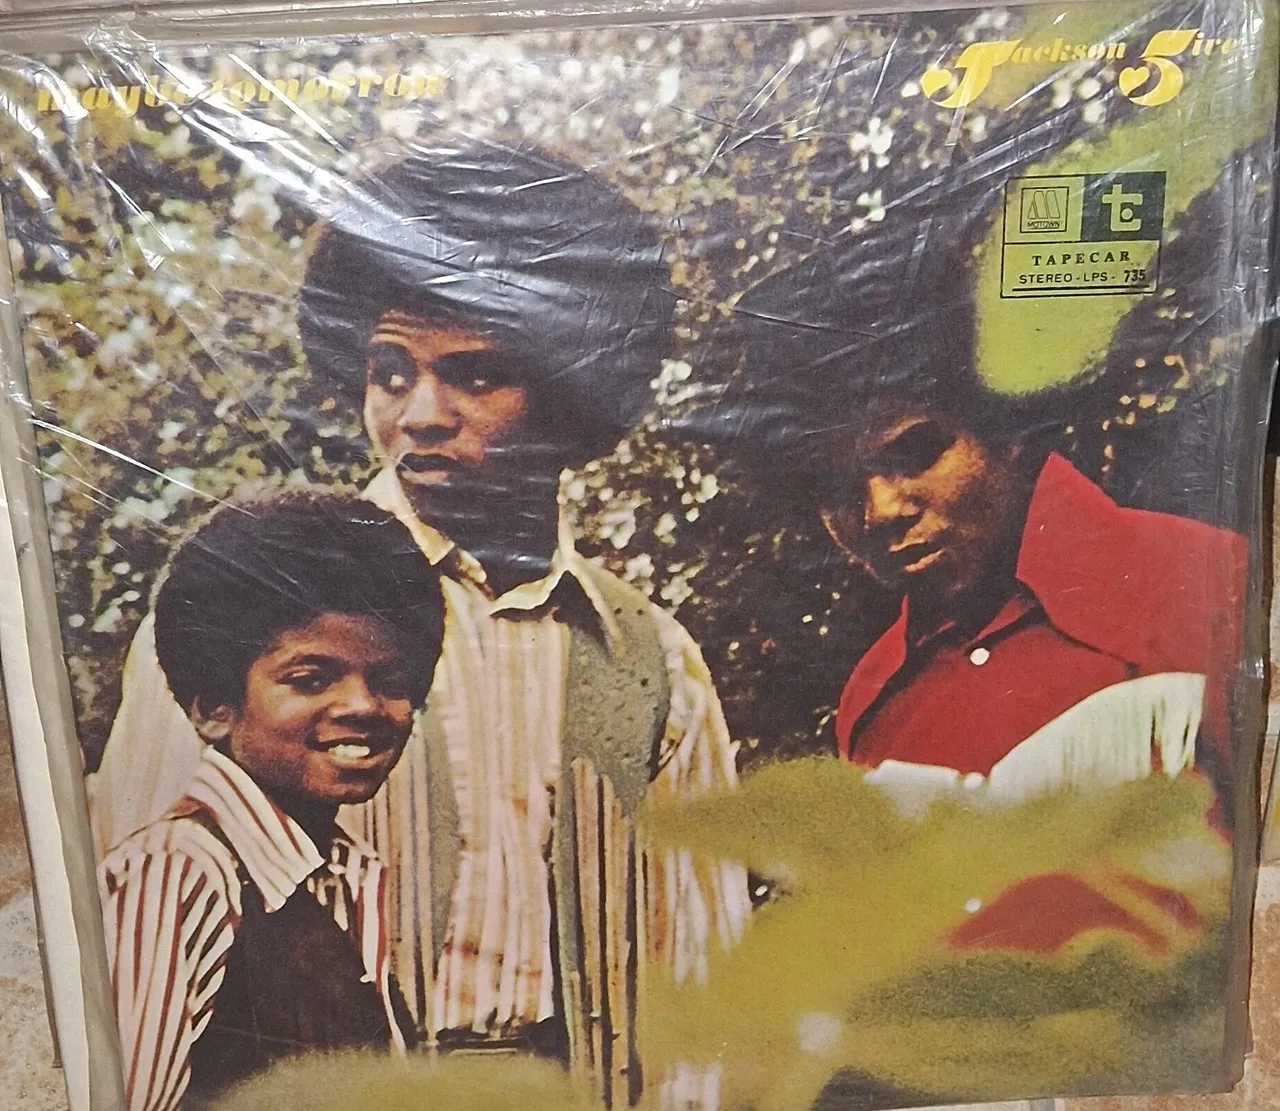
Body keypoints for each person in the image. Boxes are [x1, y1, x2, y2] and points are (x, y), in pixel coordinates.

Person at [89, 138, 748, 1105]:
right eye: (391, 371)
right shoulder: (244, 601)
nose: (422, 413)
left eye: (475, 375)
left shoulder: (653, 661)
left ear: (568, 391)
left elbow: (701, 985)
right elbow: (130, 951)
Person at [714, 220, 1247, 955]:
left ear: (1005, 430)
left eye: (913, 451)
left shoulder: (1208, 583)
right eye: (832, 487)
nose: (879, 510)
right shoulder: (873, 701)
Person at [99, 491, 446, 1111]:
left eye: (391, 680)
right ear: (215, 707)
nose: (364, 705)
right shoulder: (178, 872)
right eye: (310, 680)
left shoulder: (336, 872)